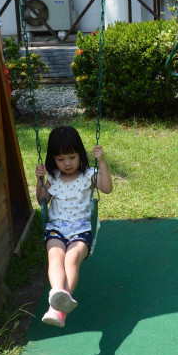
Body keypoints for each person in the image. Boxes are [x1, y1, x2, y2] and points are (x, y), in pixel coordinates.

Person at [35, 125, 113, 327]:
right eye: (60, 159)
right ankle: (58, 304)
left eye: (71, 157)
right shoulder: (53, 178)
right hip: (57, 228)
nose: (67, 163)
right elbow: (42, 200)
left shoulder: (88, 175)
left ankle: (56, 309)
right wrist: (39, 180)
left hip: (81, 229)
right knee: (55, 256)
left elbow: (107, 188)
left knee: (71, 259)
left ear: (80, 155)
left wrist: (102, 161)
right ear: (53, 160)